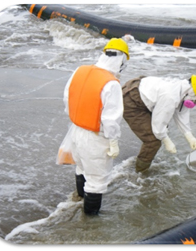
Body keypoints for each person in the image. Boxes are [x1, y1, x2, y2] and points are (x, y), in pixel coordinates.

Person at [62, 38, 130, 215]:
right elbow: (111, 119)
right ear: (121, 60)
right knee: (97, 180)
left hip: (76, 130)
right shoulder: (111, 83)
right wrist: (113, 141)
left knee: (81, 167)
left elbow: (67, 97)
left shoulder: (80, 70)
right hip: (95, 137)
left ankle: (79, 198)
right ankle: (89, 222)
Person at [122, 75, 196, 173]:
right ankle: (140, 173)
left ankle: (145, 157)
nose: (195, 102)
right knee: (153, 141)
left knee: (161, 128)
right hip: (131, 100)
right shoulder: (170, 96)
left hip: (141, 88)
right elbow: (158, 124)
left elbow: (181, 112)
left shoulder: (182, 89)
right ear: (191, 92)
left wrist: (189, 136)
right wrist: (166, 140)